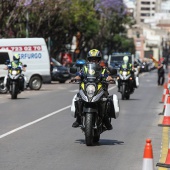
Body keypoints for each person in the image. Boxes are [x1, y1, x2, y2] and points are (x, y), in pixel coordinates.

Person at [72, 49, 113, 130]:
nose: (93, 60)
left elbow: (108, 76)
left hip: (100, 88)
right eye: (92, 59)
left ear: (99, 60)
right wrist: (76, 78)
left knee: (106, 100)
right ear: (89, 60)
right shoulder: (85, 68)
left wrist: (109, 79)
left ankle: (105, 119)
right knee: (78, 98)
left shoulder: (103, 69)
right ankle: (79, 118)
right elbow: (79, 75)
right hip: (88, 88)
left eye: (96, 59)